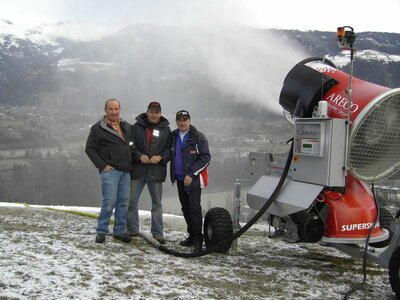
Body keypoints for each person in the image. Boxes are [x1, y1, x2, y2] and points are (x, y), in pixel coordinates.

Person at [85, 98, 132, 244]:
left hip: (126, 171)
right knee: (110, 202)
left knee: (123, 202)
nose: (114, 112)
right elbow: (90, 149)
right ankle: (101, 231)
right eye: (111, 109)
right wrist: (102, 165)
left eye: (116, 109)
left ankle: (120, 231)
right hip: (110, 171)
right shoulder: (98, 128)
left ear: (120, 110)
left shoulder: (126, 126)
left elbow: (131, 145)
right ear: (105, 110)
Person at [127, 101, 171, 244]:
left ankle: (158, 233)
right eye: (151, 112)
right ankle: (132, 230)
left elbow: (170, 150)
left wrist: (161, 157)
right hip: (138, 170)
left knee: (156, 204)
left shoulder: (166, 130)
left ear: (160, 114)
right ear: (147, 112)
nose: (153, 115)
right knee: (132, 201)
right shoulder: (136, 127)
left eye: (156, 112)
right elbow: (130, 144)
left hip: (156, 171)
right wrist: (139, 156)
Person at [170, 110, 211, 252]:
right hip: (180, 179)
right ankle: (192, 236)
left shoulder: (198, 137)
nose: (182, 122)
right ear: (177, 121)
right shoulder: (173, 136)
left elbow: (205, 157)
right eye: (180, 120)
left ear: (190, 121)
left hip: (193, 180)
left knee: (194, 209)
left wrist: (191, 173)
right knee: (185, 209)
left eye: (185, 120)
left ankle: (198, 240)